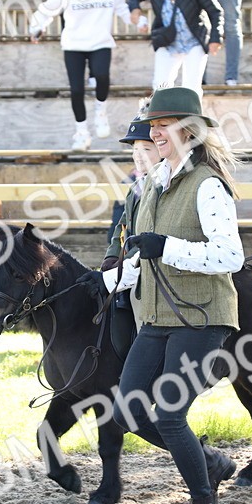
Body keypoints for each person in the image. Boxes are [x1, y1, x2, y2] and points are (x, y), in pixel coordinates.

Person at [79, 87, 243, 504]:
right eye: (151, 126)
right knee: (129, 406)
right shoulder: (154, 184)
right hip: (154, 316)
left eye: (162, 125)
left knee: (170, 414)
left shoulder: (207, 185)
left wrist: (167, 247)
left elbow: (230, 256)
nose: (153, 133)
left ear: (188, 132)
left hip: (202, 317)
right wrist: (106, 282)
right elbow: (142, 258)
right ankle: (209, 463)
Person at [29, 0, 131, 150]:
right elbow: (49, 8)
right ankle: (81, 133)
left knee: (101, 75)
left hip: (100, 42)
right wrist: (36, 27)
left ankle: (100, 112)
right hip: (74, 44)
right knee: (77, 90)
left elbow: (121, 8)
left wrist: (138, 21)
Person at [100, 106, 161, 360]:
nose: (139, 156)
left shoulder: (161, 185)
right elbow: (122, 226)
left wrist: (128, 260)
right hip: (129, 261)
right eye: (135, 150)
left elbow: (153, 231)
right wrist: (112, 256)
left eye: (146, 150)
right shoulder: (135, 185)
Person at [127, 0, 224, 95]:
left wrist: (216, 38)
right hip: (167, 41)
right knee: (160, 87)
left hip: (193, 41)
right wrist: (135, 10)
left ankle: (193, 117)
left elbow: (216, 11)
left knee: (191, 88)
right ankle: (163, 117)